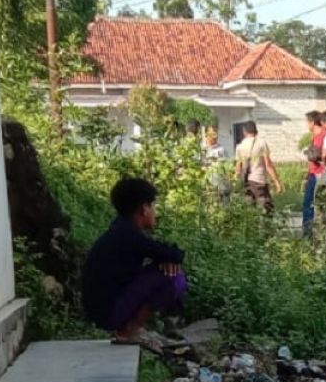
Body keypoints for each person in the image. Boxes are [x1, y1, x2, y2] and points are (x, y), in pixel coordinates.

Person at [82, 178, 187, 350]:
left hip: (103, 307)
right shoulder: (129, 235)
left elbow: (164, 252)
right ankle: (129, 330)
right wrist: (168, 259)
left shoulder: (122, 229)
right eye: (153, 206)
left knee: (166, 270)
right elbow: (174, 254)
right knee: (175, 278)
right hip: (109, 310)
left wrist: (166, 259)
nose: (155, 211)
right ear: (144, 209)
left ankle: (130, 328)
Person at [234, 121, 283, 215]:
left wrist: (236, 181)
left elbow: (238, 168)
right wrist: (277, 182)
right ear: (255, 130)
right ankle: (266, 228)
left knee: (249, 212)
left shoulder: (239, 147)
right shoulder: (261, 143)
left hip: (246, 182)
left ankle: (252, 229)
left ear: (244, 132)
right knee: (267, 210)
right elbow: (268, 164)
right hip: (259, 181)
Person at [302, 111, 326, 235]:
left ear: (312, 122)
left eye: (307, 122)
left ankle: (309, 232)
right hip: (313, 173)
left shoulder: (321, 136)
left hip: (319, 174)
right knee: (312, 204)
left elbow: (319, 157)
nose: (306, 124)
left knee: (309, 204)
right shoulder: (315, 135)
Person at [203, 126, 228, 202]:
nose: (215, 138)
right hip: (205, 185)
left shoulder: (221, 149)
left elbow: (225, 166)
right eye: (212, 135)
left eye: (216, 136)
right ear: (206, 135)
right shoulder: (201, 148)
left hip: (219, 185)